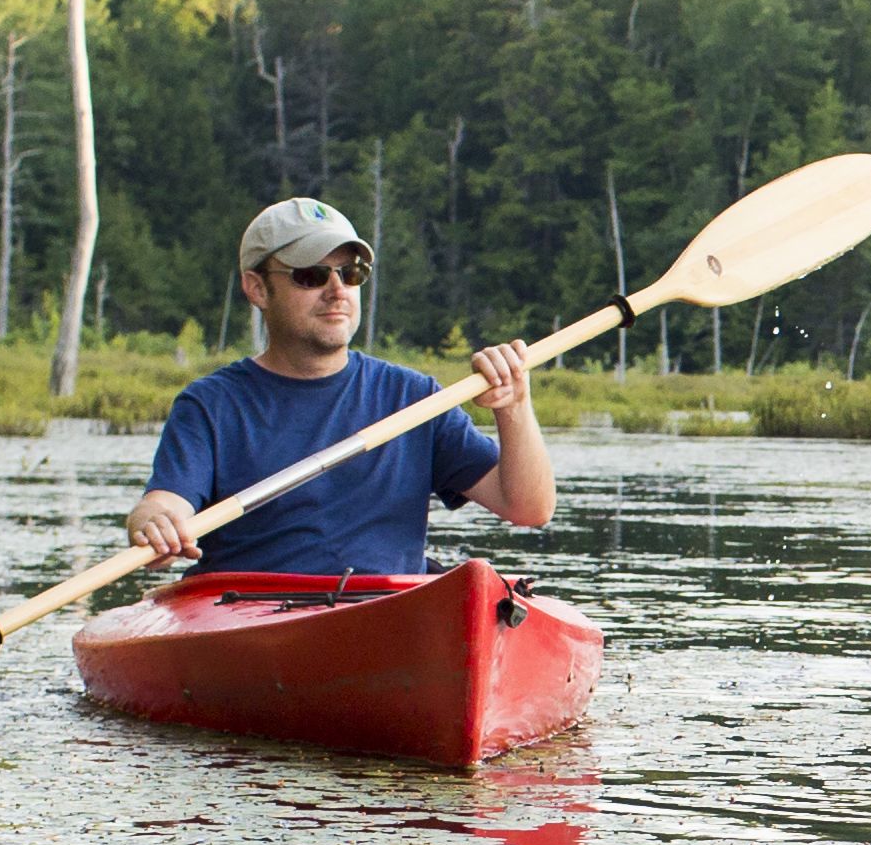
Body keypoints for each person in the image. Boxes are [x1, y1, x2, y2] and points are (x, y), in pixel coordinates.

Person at [124, 197, 558, 578]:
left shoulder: (416, 399)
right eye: (311, 276)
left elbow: (529, 508)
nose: (338, 291)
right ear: (256, 287)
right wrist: (155, 523)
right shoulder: (210, 405)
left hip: (385, 612)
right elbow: (166, 503)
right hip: (250, 616)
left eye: (351, 273)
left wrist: (514, 405)